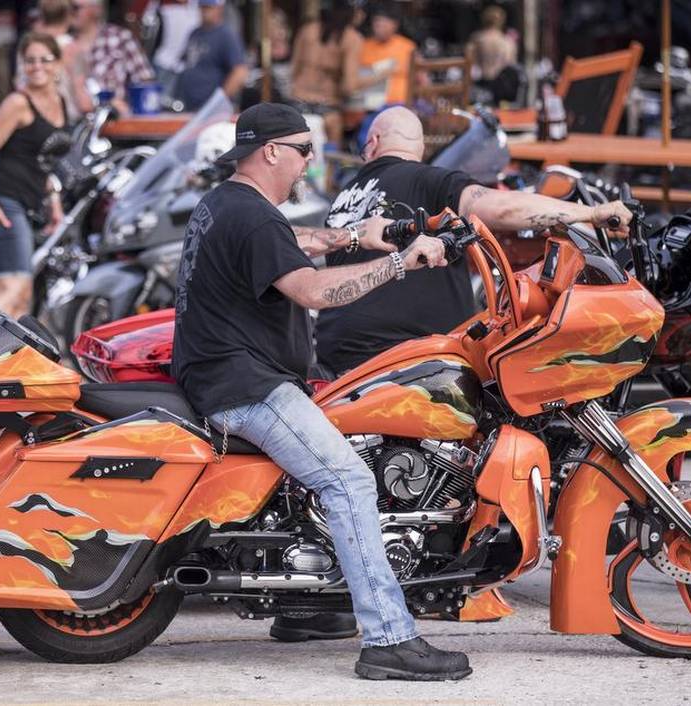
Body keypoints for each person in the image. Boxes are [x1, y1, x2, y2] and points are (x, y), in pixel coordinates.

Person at [172, 101, 473, 681]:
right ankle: (389, 639)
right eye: (305, 151)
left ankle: (308, 610)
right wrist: (402, 263)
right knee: (348, 478)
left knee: (322, 477)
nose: (311, 164)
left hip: (224, 375)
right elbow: (311, 292)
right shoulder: (253, 216)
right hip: (247, 385)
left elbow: (295, 242)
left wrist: (360, 235)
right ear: (272, 151)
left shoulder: (227, 204)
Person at [316, 105, 631, 377]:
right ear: (420, 150)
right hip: (409, 359)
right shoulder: (429, 179)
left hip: (337, 357)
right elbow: (502, 207)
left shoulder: (342, 200)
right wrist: (591, 212)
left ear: (372, 144)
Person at [0, 32, 68, 320]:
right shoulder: (18, 103)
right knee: (10, 291)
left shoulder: (60, 103)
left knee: (22, 300)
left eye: (44, 60)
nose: (37, 66)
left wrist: (54, 200)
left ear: (58, 64)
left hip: (30, 202)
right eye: (30, 61)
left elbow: (42, 160)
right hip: (4, 201)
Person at [288, 6, 368, 147]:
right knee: (332, 150)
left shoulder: (307, 30)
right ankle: (330, 167)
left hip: (297, 102)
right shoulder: (352, 38)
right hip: (327, 108)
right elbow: (350, 86)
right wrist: (379, 76)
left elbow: (293, 69)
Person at [64, 0, 155, 115]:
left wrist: (130, 109)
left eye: (75, 7)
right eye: (66, 7)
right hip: (74, 121)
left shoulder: (119, 37)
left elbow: (145, 81)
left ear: (96, 10)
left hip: (115, 120)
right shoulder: (62, 42)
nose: (70, 12)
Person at [174, 0, 247, 111]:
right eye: (202, 7)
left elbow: (240, 72)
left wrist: (218, 101)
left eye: (208, 7)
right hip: (190, 106)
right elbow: (185, 64)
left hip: (213, 110)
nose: (204, 11)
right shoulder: (194, 33)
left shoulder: (226, 35)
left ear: (219, 8)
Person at [359, 3, 418, 107]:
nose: (381, 28)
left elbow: (421, 77)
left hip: (403, 104)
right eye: (377, 23)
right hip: (371, 103)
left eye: (385, 24)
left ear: (395, 25)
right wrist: (383, 73)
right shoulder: (363, 46)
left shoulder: (407, 46)